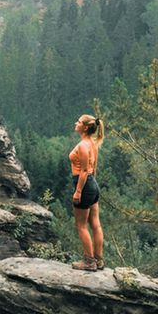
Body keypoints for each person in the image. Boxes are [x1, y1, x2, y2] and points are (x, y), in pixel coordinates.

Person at [69, 113, 104, 271]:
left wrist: (78, 192)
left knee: (81, 225)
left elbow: (83, 171)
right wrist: (92, 187)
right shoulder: (93, 143)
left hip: (83, 185)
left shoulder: (83, 146)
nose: (75, 123)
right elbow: (93, 168)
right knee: (95, 224)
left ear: (84, 127)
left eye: (78, 121)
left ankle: (89, 262)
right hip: (92, 185)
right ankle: (99, 259)